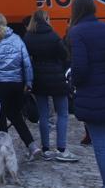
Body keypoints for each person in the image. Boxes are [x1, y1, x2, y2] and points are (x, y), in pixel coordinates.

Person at [67, 0, 105, 188]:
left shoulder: (77, 32)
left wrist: (73, 80)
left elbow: (81, 68)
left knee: (100, 145)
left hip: (92, 95)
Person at [0, 12, 39, 160]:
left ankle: (4, 151)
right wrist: (29, 82)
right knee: (16, 115)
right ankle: (32, 146)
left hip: (0, 84)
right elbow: (26, 63)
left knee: (0, 117)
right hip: (17, 84)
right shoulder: (17, 38)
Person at [24, 9, 77, 162]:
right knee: (62, 113)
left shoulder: (28, 37)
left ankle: (46, 149)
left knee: (43, 115)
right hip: (57, 78)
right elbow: (64, 54)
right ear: (46, 19)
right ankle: (61, 149)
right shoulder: (53, 35)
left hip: (38, 78)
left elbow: (26, 58)